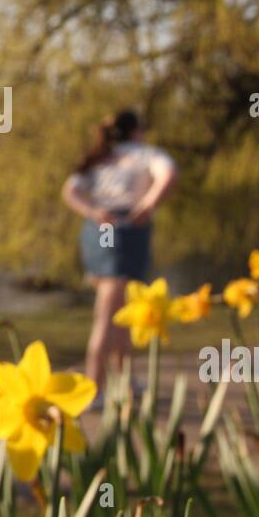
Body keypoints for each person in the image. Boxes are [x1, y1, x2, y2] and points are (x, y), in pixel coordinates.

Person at [61, 109, 177, 389]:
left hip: (101, 229)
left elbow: (70, 190)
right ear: (136, 130)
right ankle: (94, 384)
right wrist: (148, 205)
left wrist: (92, 211)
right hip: (124, 229)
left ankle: (125, 379)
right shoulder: (145, 155)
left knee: (121, 307)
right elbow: (169, 176)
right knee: (108, 309)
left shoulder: (100, 158)